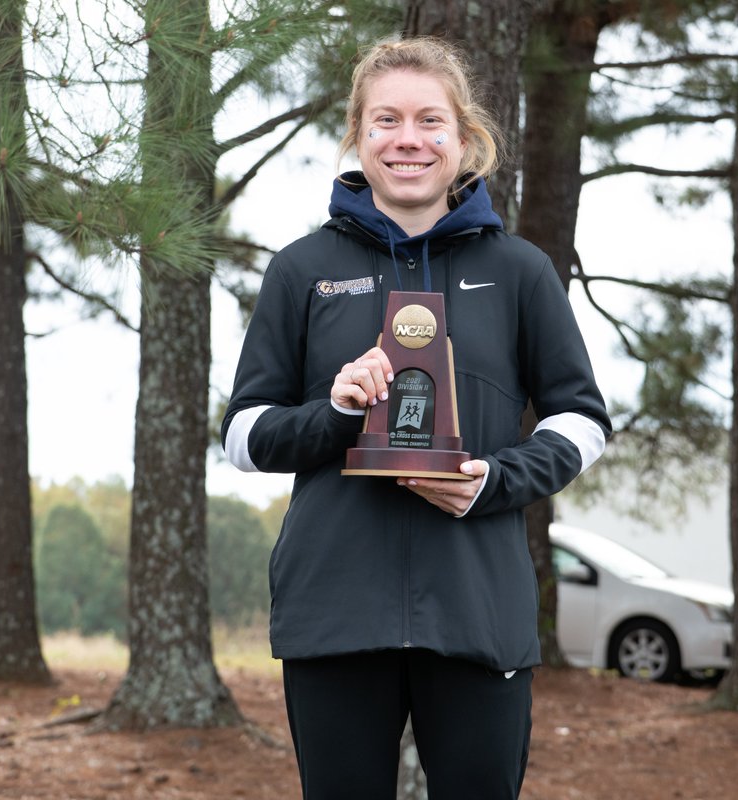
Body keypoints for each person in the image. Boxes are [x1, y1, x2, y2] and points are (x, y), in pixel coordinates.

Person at [222, 36, 611, 800]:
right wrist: (335, 412)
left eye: (430, 121)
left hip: (479, 612)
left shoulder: (520, 271)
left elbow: (582, 421)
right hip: (333, 612)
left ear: (463, 138)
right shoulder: (302, 269)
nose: (409, 139)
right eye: (386, 120)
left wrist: (494, 481)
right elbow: (241, 435)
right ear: (358, 135)